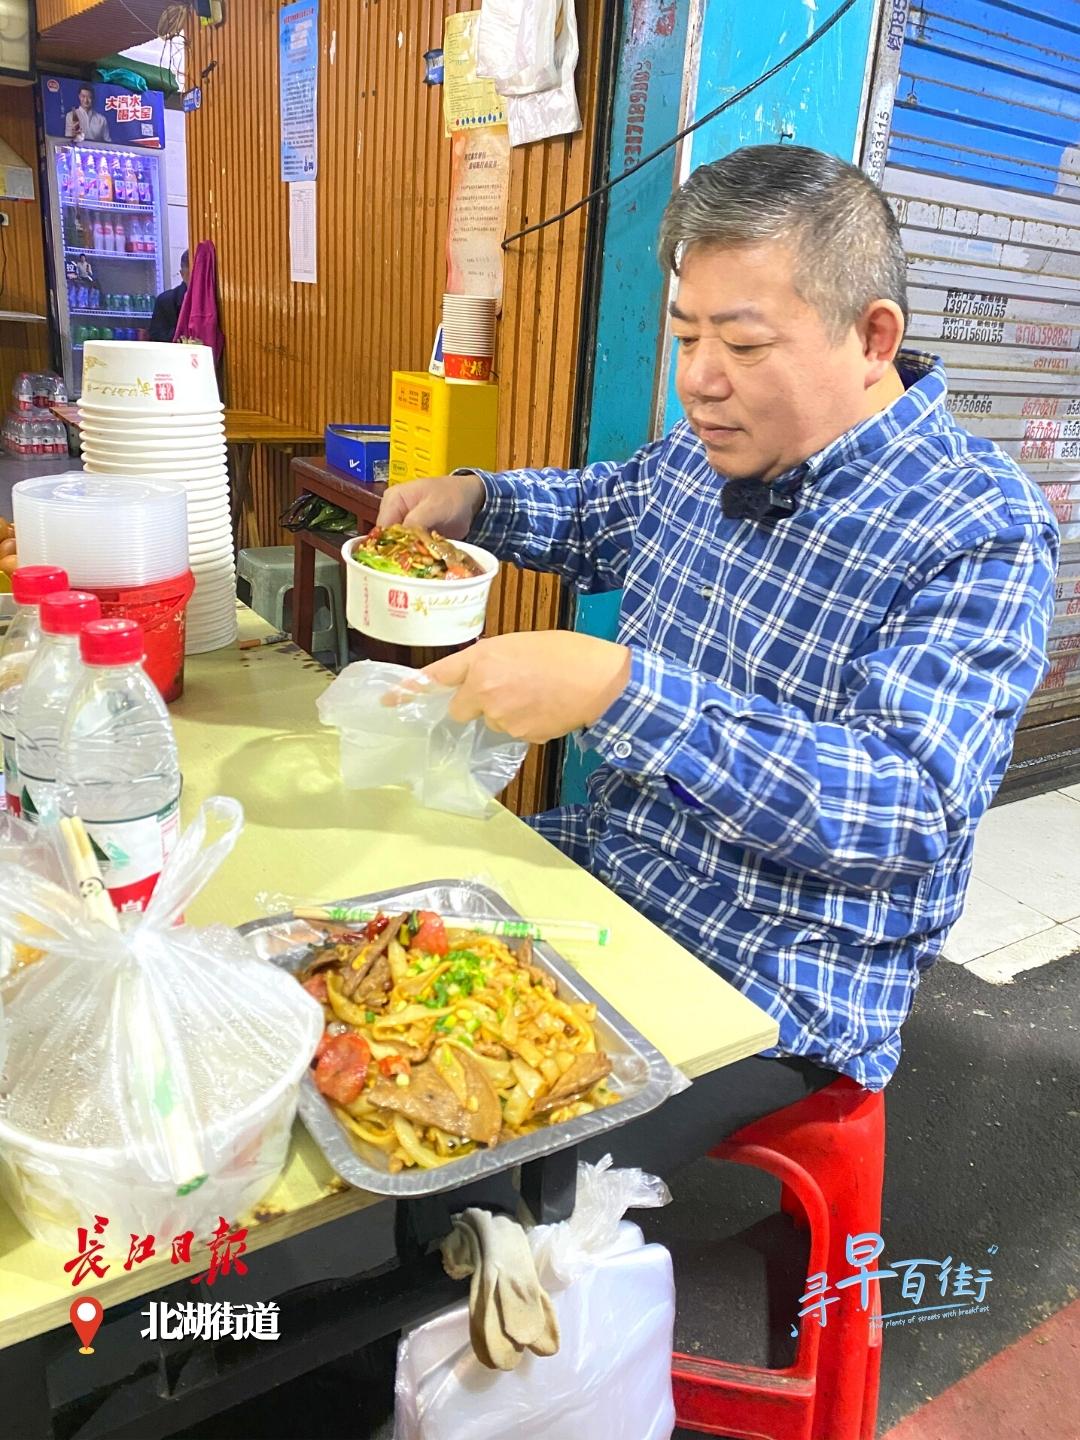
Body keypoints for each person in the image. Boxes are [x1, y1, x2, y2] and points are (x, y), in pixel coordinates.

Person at [377, 145, 1057, 1164]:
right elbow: (608, 507)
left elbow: (907, 806)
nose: (698, 380)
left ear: (873, 337)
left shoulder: (979, 526)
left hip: (779, 969)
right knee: (374, 959)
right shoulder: (709, 448)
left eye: (741, 343)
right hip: (612, 873)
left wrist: (620, 690)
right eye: (687, 335)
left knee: (456, 1119)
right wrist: (477, 501)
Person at [149, 251, 190, 343]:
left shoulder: (212, 300)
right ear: (182, 274)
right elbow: (157, 340)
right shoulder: (165, 301)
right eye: (191, 275)